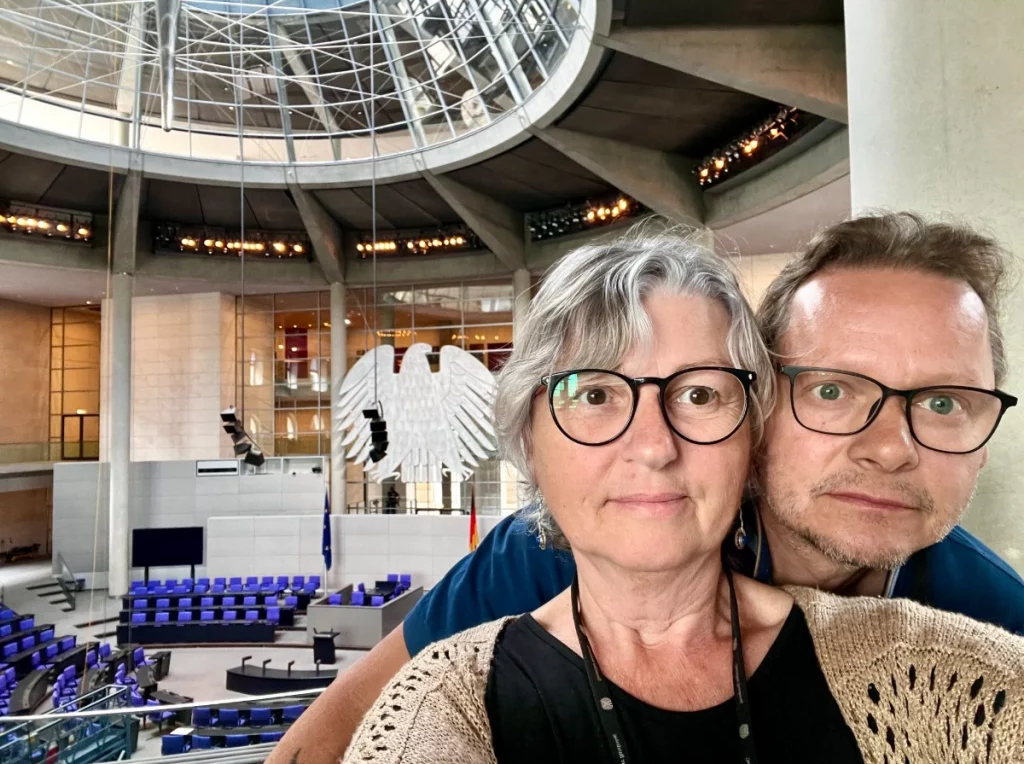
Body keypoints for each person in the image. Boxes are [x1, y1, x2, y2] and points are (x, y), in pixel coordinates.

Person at [267, 213, 1024, 763]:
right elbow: (333, 736)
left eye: (944, 402)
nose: (890, 448)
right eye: (832, 391)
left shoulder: (996, 634)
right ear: (763, 412)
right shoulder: (560, 554)